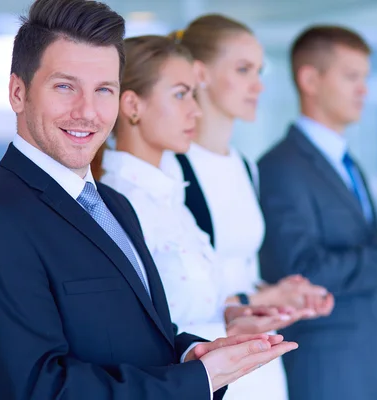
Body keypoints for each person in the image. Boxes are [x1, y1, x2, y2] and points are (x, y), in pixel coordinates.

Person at [0, 1, 297, 399]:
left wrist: (193, 352)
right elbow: (35, 389)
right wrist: (197, 380)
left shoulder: (114, 205)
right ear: (18, 93)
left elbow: (140, 336)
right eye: (65, 86)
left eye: (104, 89)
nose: (87, 111)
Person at [92, 32, 317, 358]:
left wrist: (237, 314)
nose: (196, 111)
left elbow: (191, 304)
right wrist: (225, 327)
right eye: (181, 95)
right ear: (132, 105)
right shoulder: (117, 205)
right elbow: (132, 332)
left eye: (194, 95)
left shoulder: (171, 197)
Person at [258, 25, 377, 400]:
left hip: (372, 363)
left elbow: (358, 260)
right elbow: (304, 272)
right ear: (310, 79)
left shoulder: (348, 163)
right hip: (327, 369)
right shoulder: (280, 167)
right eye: (351, 77)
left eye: (365, 78)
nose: (364, 90)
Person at [169, 15, 335, 400]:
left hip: (261, 360)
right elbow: (174, 290)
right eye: (243, 70)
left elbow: (241, 268)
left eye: (259, 71)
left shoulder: (245, 166)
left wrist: (279, 292)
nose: (258, 85)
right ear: (201, 73)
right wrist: (256, 301)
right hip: (210, 359)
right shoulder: (172, 168)